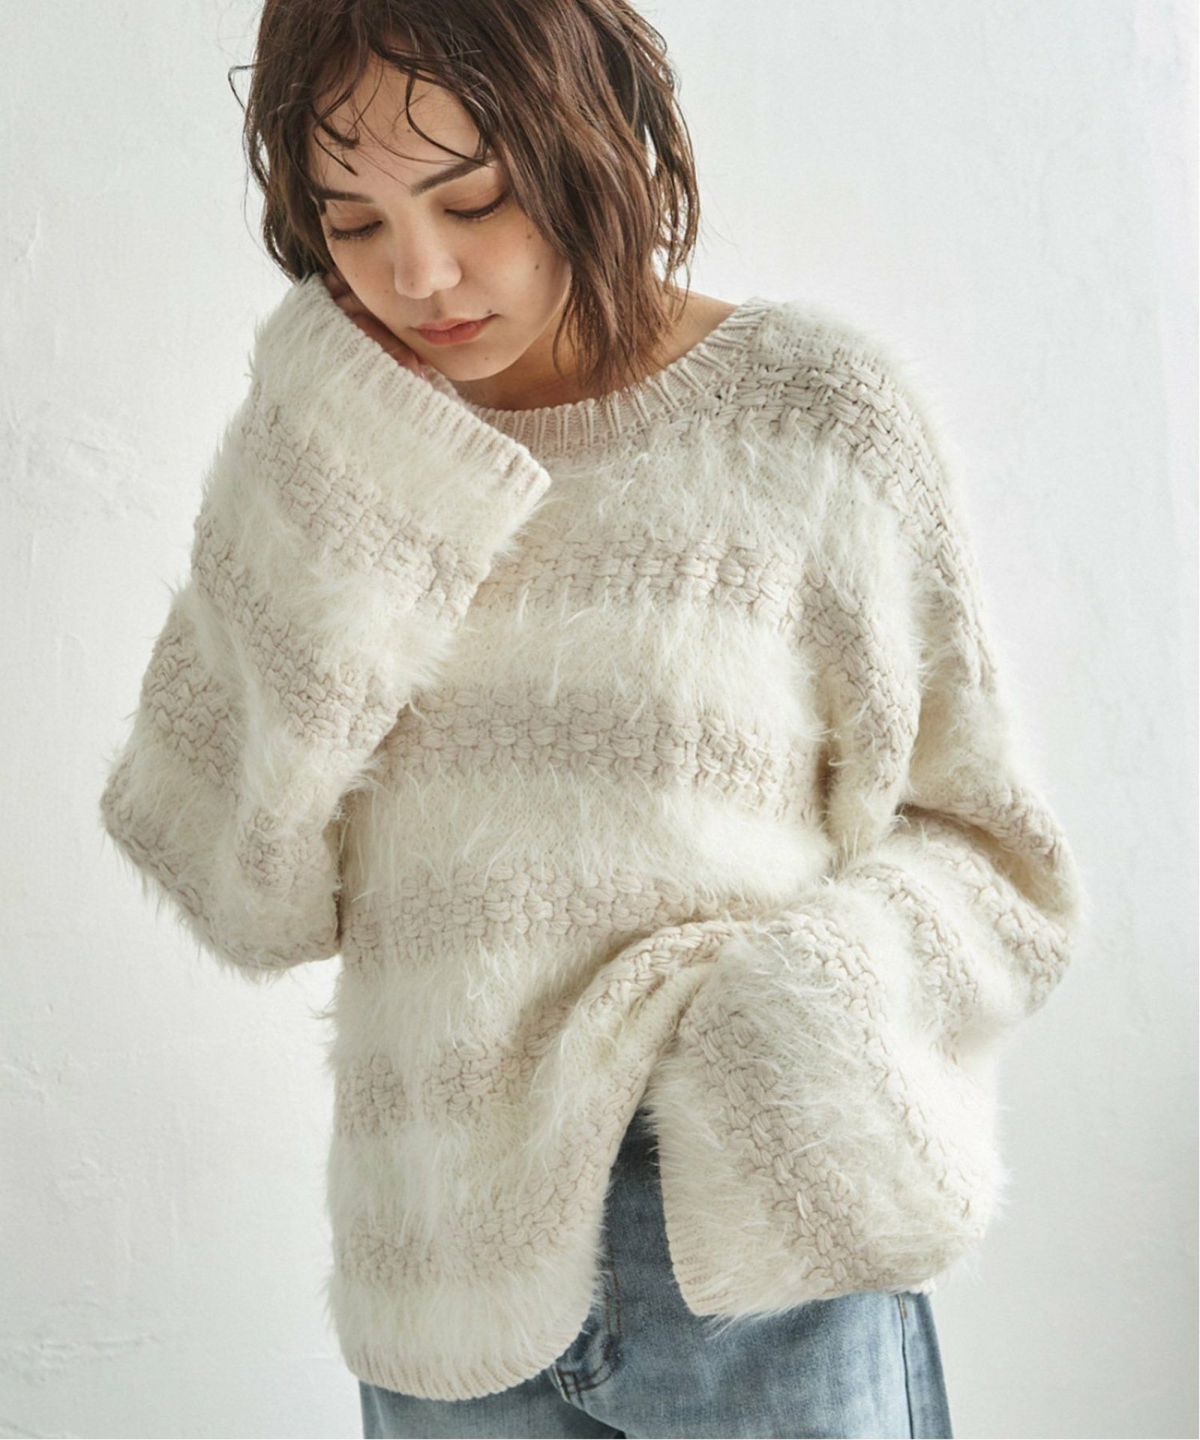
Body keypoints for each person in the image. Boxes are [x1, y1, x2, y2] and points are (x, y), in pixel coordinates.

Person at [99, 2, 1087, 1436]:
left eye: (473, 199)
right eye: (354, 222)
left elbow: (995, 855)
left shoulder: (815, 418)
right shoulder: (333, 444)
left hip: (753, 1232)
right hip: (443, 1268)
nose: (419, 273)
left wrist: (798, 1019)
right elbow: (240, 887)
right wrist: (336, 472)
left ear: (592, 142)